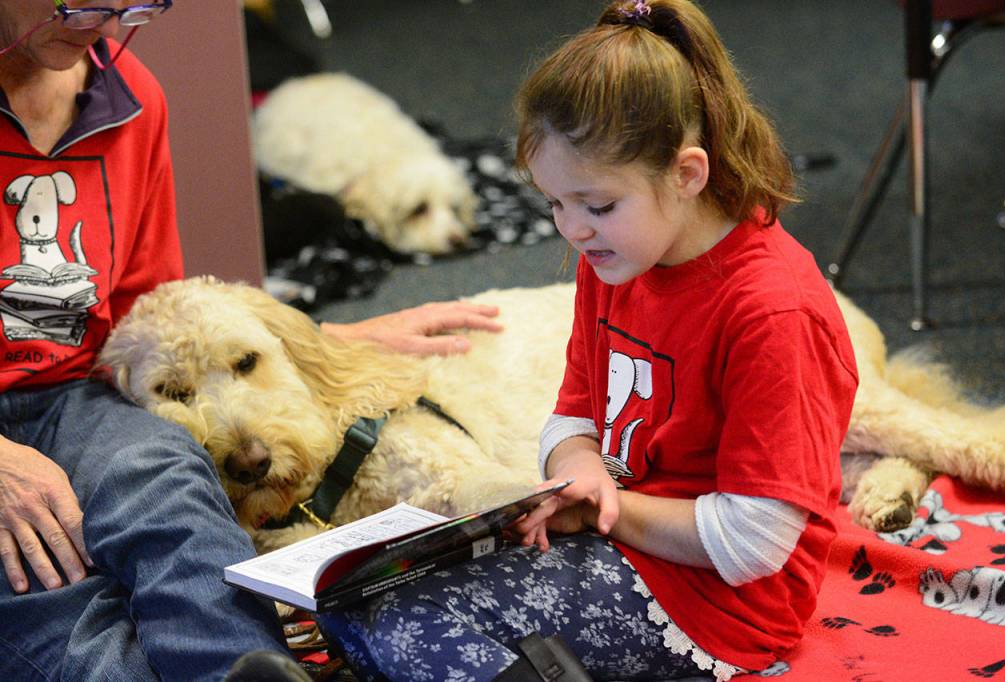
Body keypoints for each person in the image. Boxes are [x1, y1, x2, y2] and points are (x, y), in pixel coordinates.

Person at [318, 1, 859, 680]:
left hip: (718, 607)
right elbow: (573, 414)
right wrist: (580, 466)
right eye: (554, 204)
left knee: (410, 623)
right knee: (348, 599)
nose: (572, 229)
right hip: (626, 547)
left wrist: (606, 506)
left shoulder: (772, 310)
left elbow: (752, 543)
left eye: (597, 205)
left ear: (689, 174)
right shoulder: (616, 255)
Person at [0, 2, 501, 680]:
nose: (106, 28)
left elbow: (147, 321)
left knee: (167, 482)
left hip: (72, 393)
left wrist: (305, 344)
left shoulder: (128, 94)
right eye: (83, 4)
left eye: (132, 7)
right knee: (52, 585)